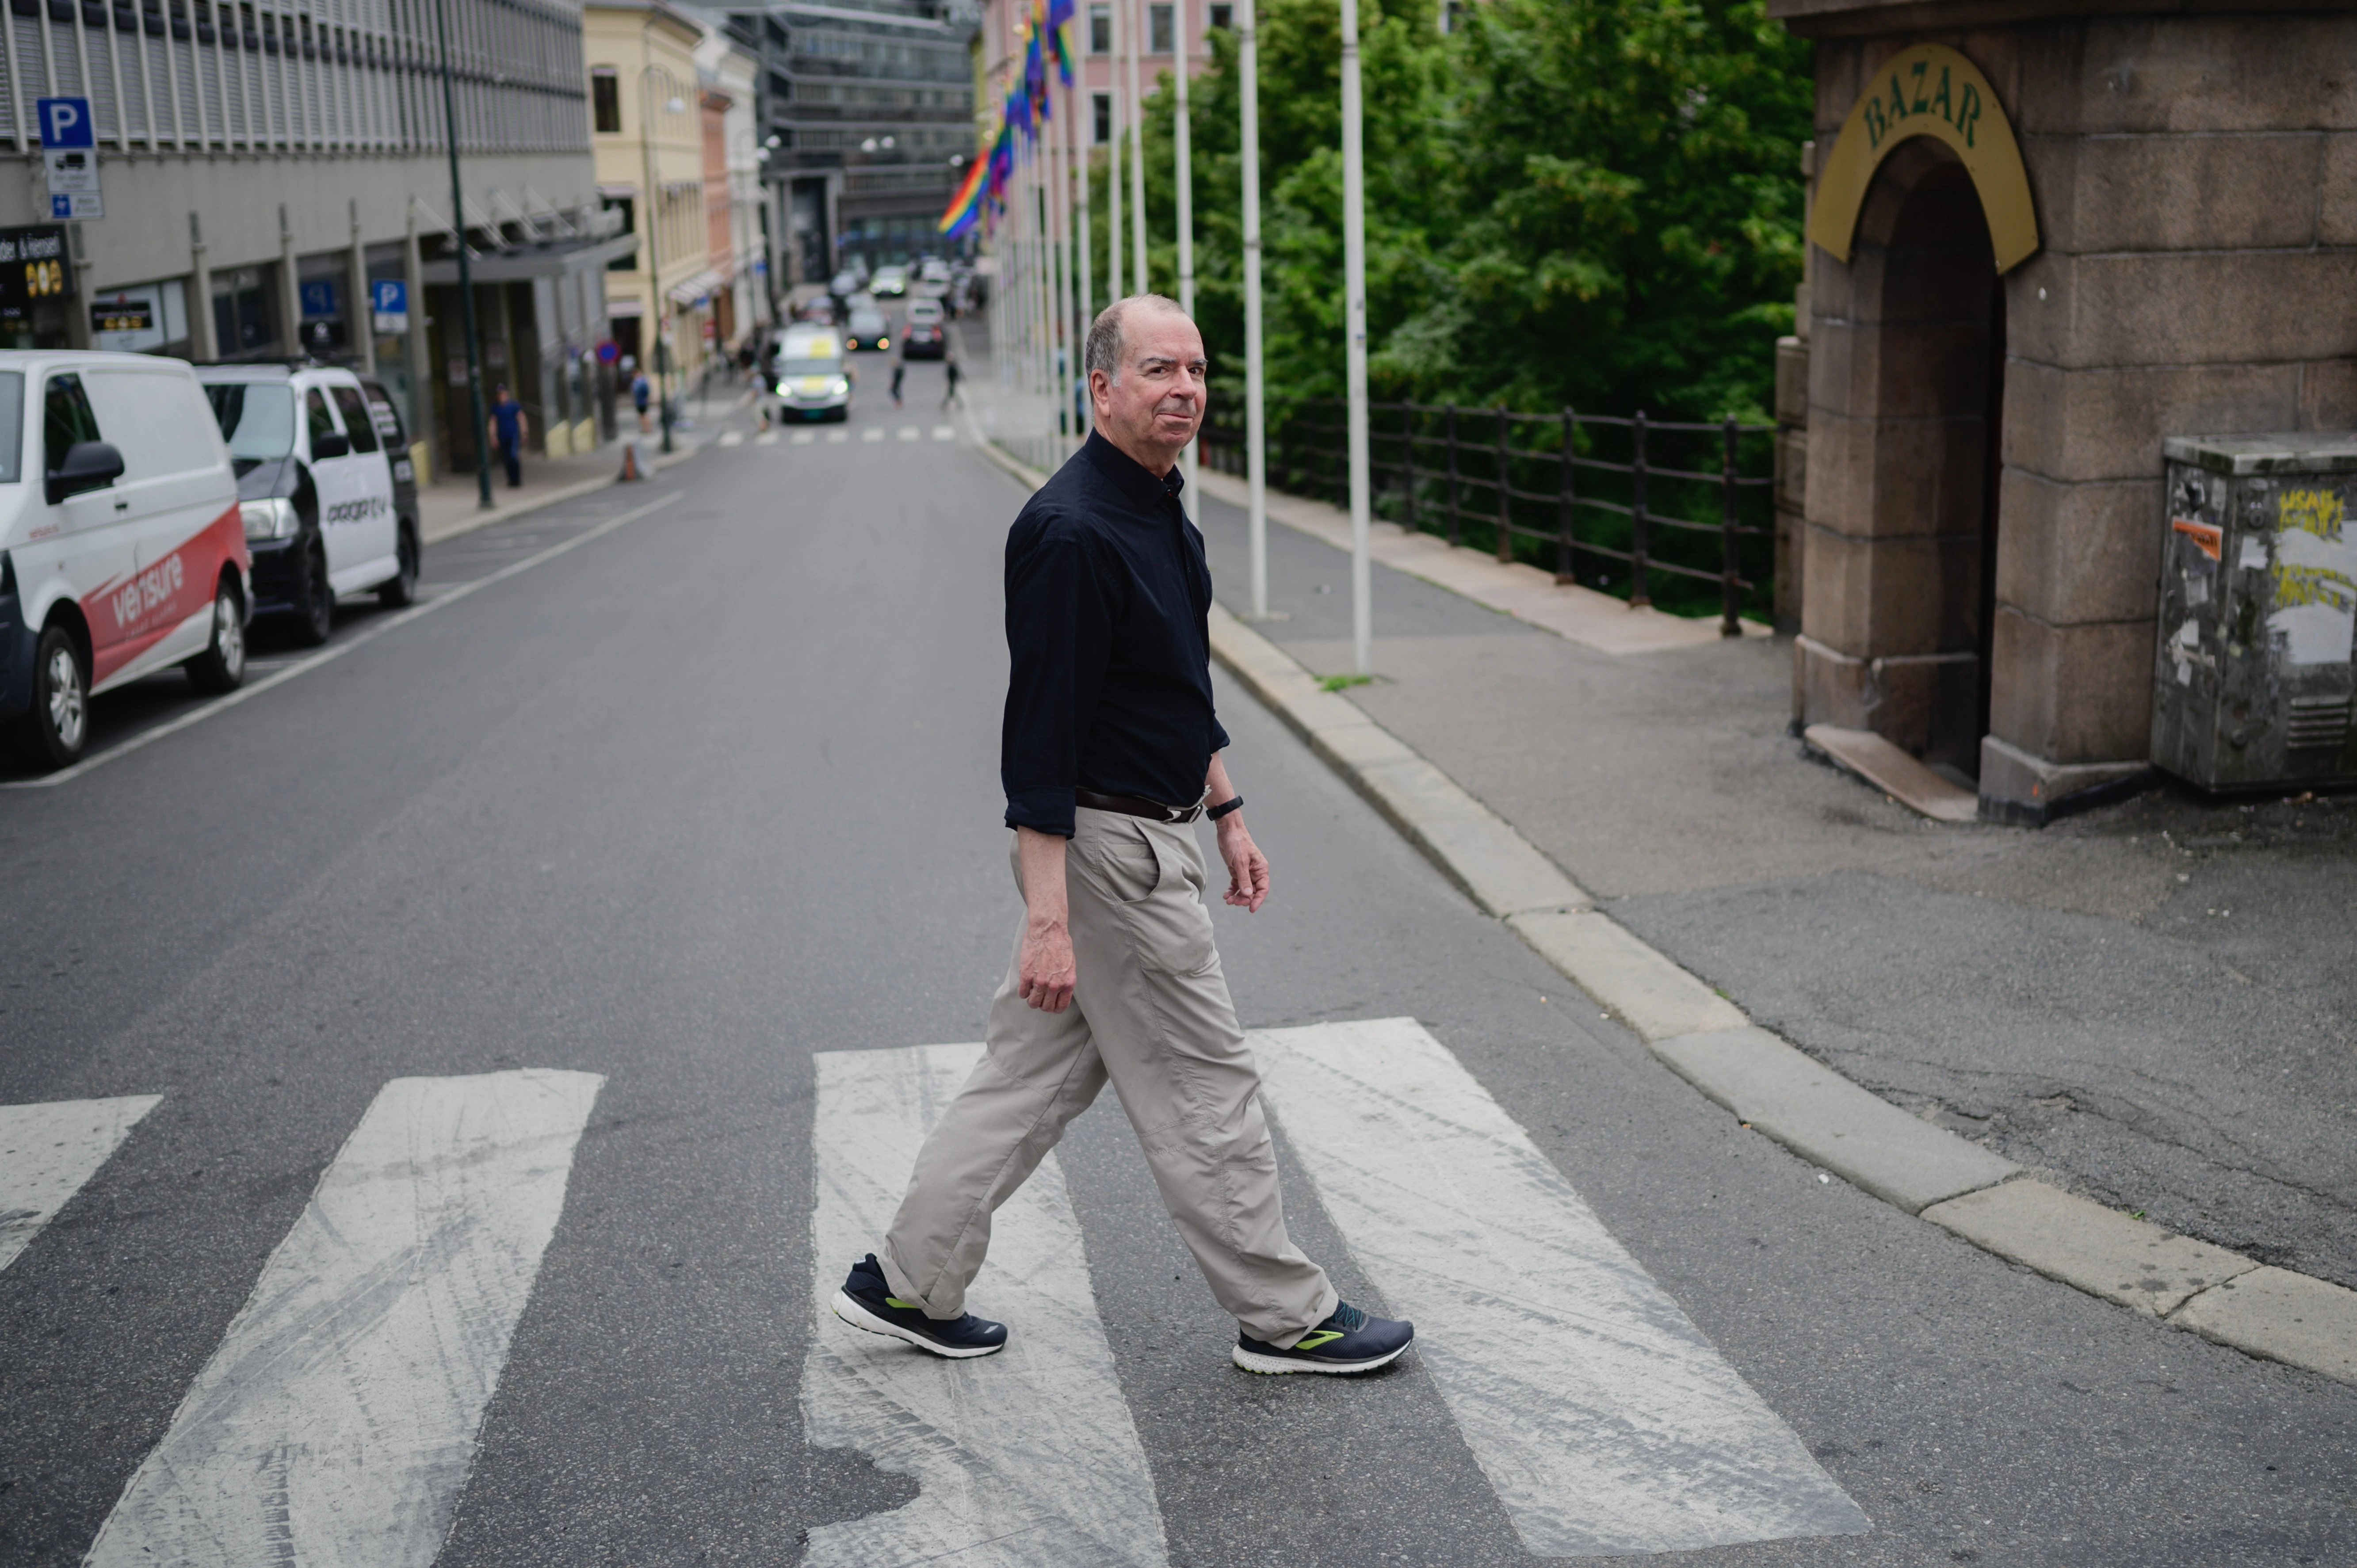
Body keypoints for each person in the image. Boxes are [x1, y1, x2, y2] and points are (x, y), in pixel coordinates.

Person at [831, 295, 1415, 1377]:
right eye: (1158, 370)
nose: (1184, 389)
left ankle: (907, 1280)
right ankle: (1285, 1315)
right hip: (1111, 854)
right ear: (1100, 388)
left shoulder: (1159, 506)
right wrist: (1048, 921)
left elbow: (1168, 691)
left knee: (1029, 1073)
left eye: (1195, 370)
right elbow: (1041, 745)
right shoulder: (1069, 532)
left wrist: (1229, 807)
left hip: (1159, 830)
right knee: (1205, 1078)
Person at [485, 383, 526, 489]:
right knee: (506, 459)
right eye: (499, 394)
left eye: (502, 394)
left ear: (506, 394)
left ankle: (517, 478)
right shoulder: (496, 408)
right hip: (502, 436)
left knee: (513, 456)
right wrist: (493, 436)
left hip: (513, 435)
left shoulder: (514, 406)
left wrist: (524, 433)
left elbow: (521, 419)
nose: (501, 396)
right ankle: (511, 479)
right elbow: (493, 422)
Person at [629, 361, 652, 434]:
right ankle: (645, 428)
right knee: (642, 415)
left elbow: (644, 391)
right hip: (640, 400)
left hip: (641, 400)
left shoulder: (641, 381)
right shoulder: (640, 381)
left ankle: (647, 429)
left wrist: (643, 397)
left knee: (644, 415)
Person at [940, 345, 961, 412]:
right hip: (951, 381)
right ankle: (945, 404)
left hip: (952, 381)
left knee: (951, 394)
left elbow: (955, 374)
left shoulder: (952, 366)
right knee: (952, 394)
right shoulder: (951, 366)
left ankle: (945, 404)